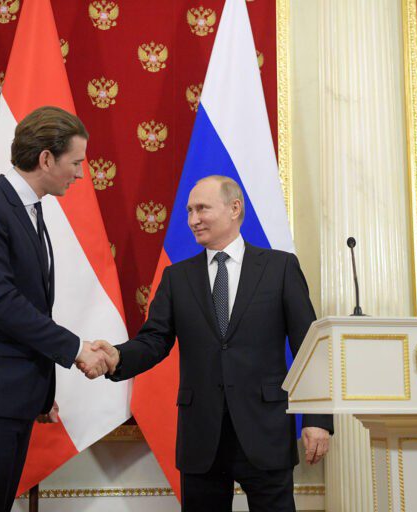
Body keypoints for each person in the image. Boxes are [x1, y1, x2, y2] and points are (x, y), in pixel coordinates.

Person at [82, 175, 333, 512]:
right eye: (189, 211)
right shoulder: (177, 277)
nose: (193, 220)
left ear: (234, 208)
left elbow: (309, 347)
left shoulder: (280, 268)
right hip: (202, 434)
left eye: (202, 209)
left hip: (265, 429)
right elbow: (154, 340)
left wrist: (318, 419)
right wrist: (116, 357)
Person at [0, 106, 109, 512]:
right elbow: (0, 302)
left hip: (9, 400)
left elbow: (29, 306)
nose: (80, 174)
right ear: (46, 159)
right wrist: (75, 348)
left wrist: (39, 393)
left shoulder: (29, 210)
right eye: (75, 162)